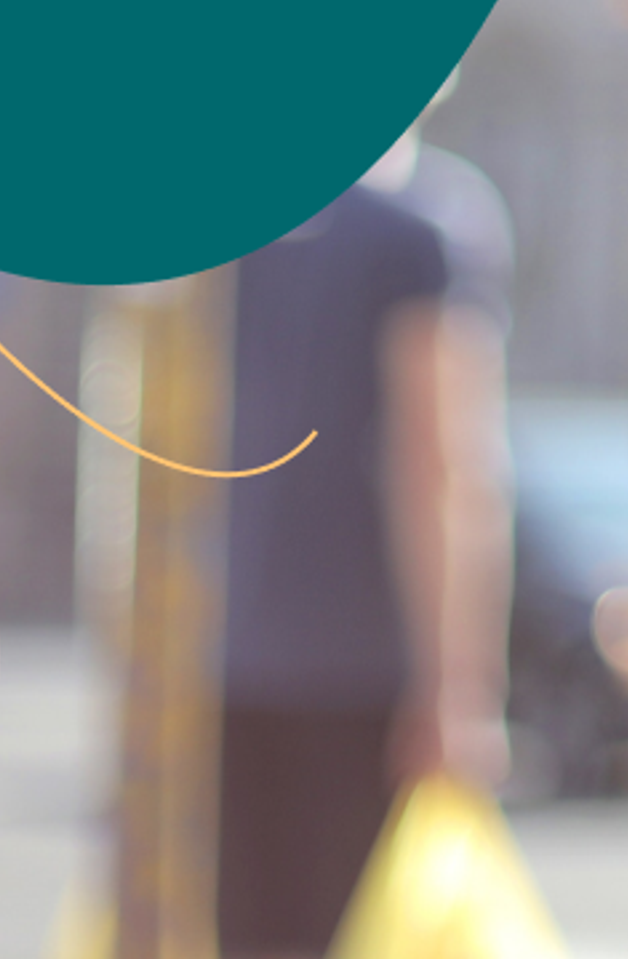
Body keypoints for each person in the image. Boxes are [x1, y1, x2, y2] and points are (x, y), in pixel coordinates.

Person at [215, 133, 516, 959]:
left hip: (218, 650)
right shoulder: (426, 224)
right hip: (360, 664)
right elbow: (444, 457)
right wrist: (459, 684)